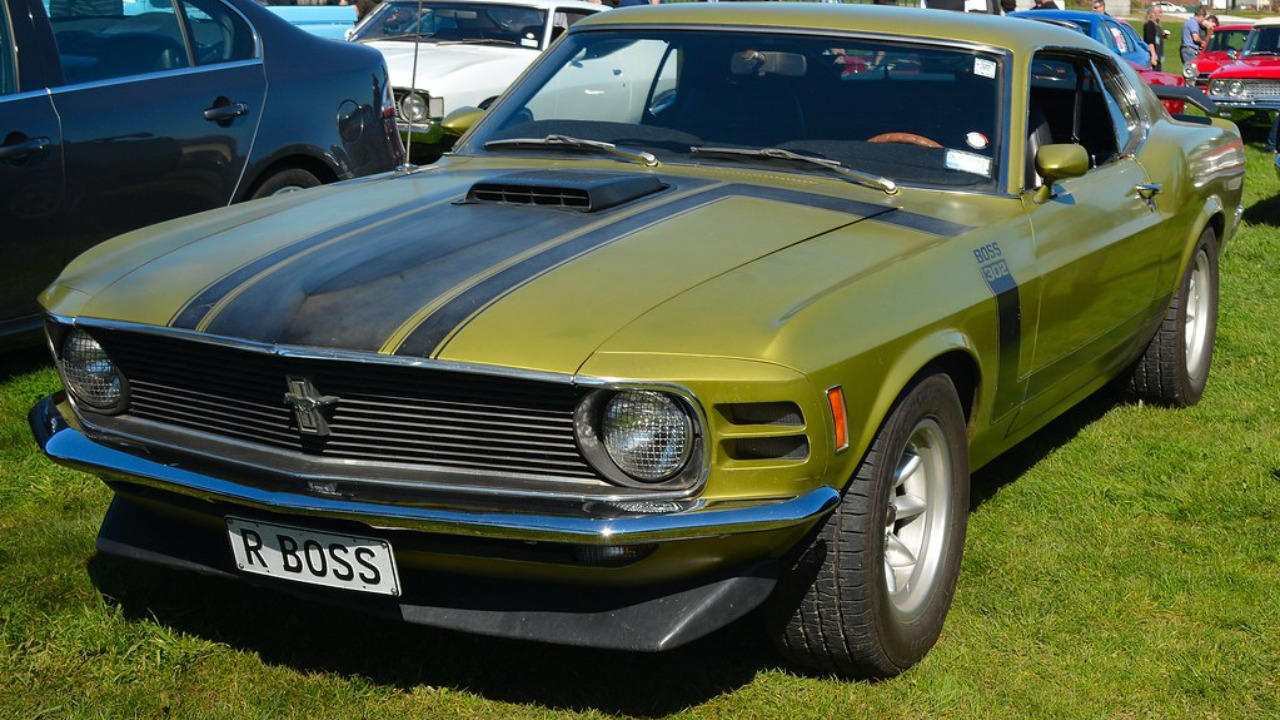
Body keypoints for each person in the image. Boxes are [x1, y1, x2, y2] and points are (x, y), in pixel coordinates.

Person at [1144, 4, 1166, 71]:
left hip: (1158, 55)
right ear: (1150, 13)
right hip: (1154, 56)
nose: (1157, 14)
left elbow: (1156, 38)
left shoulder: (1156, 24)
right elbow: (1150, 41)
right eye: (1154, 12)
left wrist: (1163, 36)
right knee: (1155, 74)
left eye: (1158, 12)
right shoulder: (1149, 24)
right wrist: (1153, 55)